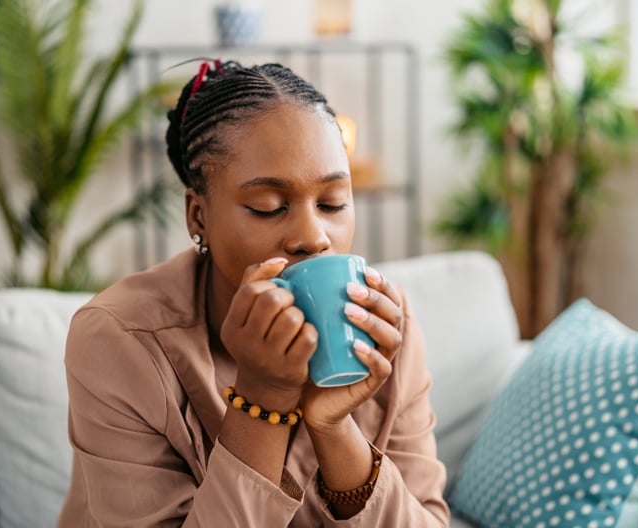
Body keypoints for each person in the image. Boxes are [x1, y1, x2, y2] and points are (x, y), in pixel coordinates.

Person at [58, 59, 450, 527]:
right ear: (198, 217)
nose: (313, 236)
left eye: (333, 203)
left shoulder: (385, 324)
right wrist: (263, 398)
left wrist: (333, 427)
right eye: (268, 207)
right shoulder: (121, 339)